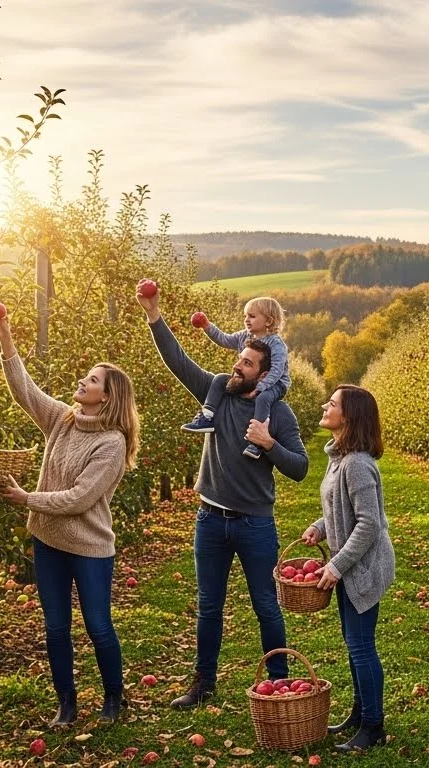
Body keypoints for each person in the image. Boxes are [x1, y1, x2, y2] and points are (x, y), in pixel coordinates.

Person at [135, 281, 310, 709]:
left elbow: (301, 468)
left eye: (247, 362)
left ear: (264, 373)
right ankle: (203, 682)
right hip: (209, 519)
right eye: (239, 357)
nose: (237, 366)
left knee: (266, 607)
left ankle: (281, 683)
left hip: (254, 524)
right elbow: (178, 361)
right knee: (208, 606)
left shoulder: (277, 413)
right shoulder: (219, 396)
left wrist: (269, 444)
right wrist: (154, 315)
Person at [0, 309, 139, 726]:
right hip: (48, 542)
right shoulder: (63, 418)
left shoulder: (111, 444)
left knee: (98, 626)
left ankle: (113, 699)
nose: (82, 381)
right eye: (86, 376)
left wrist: (25, 498)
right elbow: (25, 391)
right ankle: (66, 705)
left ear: (106, 397)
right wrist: (5, 337)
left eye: (92, 380)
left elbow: (78, 499)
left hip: (89, 547)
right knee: (56, 628)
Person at [300, 385, 395, 753]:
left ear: (349, 416)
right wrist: (320, 526)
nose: (326, 406)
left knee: (361, 646)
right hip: (350, 565)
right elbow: (341, 509)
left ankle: (373, 726)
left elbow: (369, 523)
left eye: (333, 404)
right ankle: (360, 713)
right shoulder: (340, 457)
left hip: (364, 568)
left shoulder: (356, 463)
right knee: (353, 643)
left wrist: (336, 566)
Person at [182, 297, 290, 461]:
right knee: (219, 379)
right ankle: (207, 417)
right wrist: (207, 326)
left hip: (276, 383)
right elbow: (224, 339)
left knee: (263, 399)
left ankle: (256, 442)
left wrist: (261, 386)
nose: (247, 320)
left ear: (268, 321)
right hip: (250, 381)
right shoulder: (244, 336)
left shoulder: (276, 344)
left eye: (252, 316)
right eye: (245, 316)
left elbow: (277, 370)